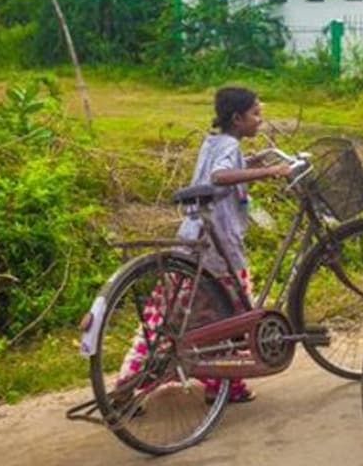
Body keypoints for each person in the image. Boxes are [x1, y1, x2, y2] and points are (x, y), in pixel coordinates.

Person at [118, 86, 292, 405]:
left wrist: (253, 161)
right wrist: (271, 171)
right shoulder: (228, 146)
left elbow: (223, 167)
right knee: (236, 319)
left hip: (192, 239)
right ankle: (224, 384)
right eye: (256, 115)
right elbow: (220, 175)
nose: (260, 121)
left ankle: (129, 384)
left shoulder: (216, 140)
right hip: (217, 248)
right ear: (237, 118)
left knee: (169, 316)